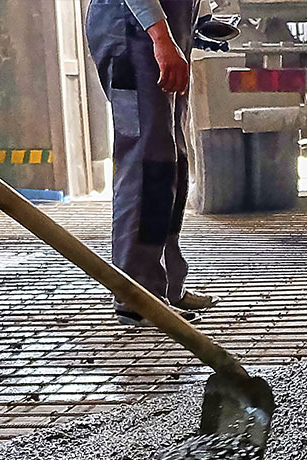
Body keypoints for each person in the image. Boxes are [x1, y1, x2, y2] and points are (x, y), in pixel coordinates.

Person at [87, 0, 221, 325]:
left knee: (171, 160)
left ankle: (166, 286)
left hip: (163, 31)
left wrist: (199, 21)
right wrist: (161, 38)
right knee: (147, 162)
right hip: (132, 34)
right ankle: (137, 294)